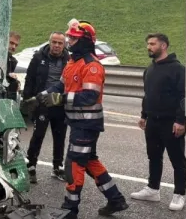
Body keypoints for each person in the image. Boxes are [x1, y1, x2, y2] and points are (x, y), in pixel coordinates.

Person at [38, 19, 129, 218]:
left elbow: (89, 97)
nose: (70, 41)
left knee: (73, 164)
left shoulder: (92, 66)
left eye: (74, 38)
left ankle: (70, 210)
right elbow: (61, 85)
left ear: (85, 41)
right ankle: (116, 200)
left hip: (87, 124)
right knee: (88, 161)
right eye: (70, 37)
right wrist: (43, 95)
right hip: (78, 122)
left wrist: (60, 99)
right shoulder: (72, 62)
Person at [131, 33, 186, 211]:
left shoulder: (178, 69)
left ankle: (179, 195)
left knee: (177, 160)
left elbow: (184, 97)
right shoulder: (150, 69)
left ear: (163, 46)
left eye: (152, 44)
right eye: (148, 44)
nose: (149, 47)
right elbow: (148, 95)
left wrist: (180, 121)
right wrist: (143, 115)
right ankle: (153, 189)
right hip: (153, 123)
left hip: (171, 123)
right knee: (154, 157)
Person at [22, 31, 70, 183]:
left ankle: (57, 167)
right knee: (38, 135)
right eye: (54, 42)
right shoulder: (38, 57)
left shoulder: (69, 60)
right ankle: (31, 166)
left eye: (60, 43)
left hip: (59, 103)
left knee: (60, 136)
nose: (56, 45)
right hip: (42, 103)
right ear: (49, 43)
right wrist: (27, 99)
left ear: (64, 45)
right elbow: (29, 78)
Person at [6, 31, 21, 100]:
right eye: (11, 43)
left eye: (16, 45)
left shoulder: (13, 61)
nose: (13, 47)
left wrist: (17, 83)